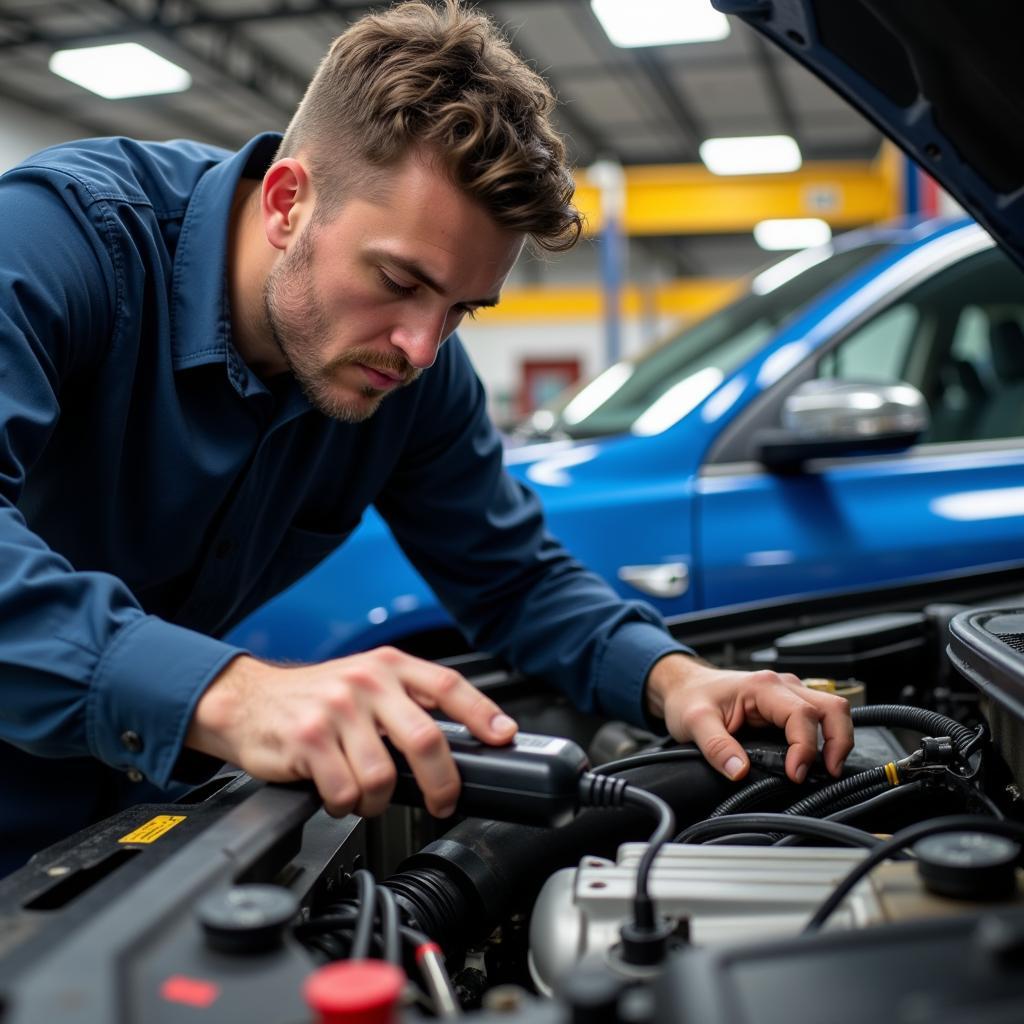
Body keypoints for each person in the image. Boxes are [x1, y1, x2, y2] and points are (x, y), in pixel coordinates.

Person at [0, 0, 852, 875]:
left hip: (126, 815)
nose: (420, 347)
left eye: (460, 309)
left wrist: (676, 681)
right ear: (289, 203)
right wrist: (234, 692)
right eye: (400, 279)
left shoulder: (411, 372)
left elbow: (512, 578)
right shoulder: (59, 241)